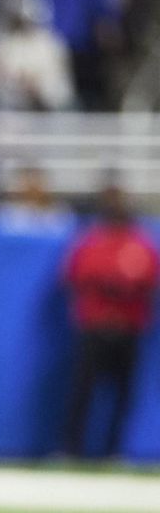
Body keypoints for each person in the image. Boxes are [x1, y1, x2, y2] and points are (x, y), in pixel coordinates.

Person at [62, 184, 159, 458]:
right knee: (83, 392)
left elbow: (147, 279)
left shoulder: (140, 243)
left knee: (124, 395)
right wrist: (117, 284)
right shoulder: (92, 241)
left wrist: (116, 284)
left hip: (129, 328)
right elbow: (78, 275)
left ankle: (113, 450)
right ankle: (72, 448)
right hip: (95, 326)